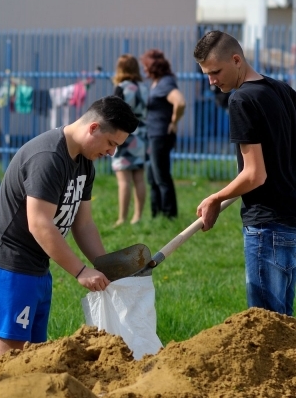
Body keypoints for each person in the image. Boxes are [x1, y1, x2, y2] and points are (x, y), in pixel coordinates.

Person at [0, 96, 138, 363]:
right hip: (9, 264)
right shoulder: (47, 157)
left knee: (33, 354)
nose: (111, 153)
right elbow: (39, 223)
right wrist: (81, 271)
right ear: (93, 128)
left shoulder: (84, 163)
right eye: (110, 143)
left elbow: (83, 224)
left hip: (36, 265)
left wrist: (106, 267)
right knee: (9, 356)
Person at [193, 30, 296, 315]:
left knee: (266, 327)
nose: (212, 81)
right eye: (206, 74)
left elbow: (254, 175)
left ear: (236, 59)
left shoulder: (242, 100)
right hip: (290, 223)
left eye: (215, 71)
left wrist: (215, 198)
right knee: (284, 326)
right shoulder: (283, 90)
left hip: (266, 228)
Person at [141, 49, 186, 219]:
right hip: (153, 134)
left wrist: (173, 123)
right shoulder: (156, 82)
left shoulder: (166, 82)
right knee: (152, 176)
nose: (144, 70)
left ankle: (169, 215)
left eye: (145, 66)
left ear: (154, 67)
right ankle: (156, 213)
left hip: (161, 135)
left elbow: (180, 102)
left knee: (161, 176)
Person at [110, 54, 149, 226]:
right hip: (142, 134)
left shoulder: (121, 87)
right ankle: (137, 217)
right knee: (139, 178)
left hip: (125, 135)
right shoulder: (144, 87)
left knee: (124, 180)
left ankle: (122, 218)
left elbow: (114, 111)